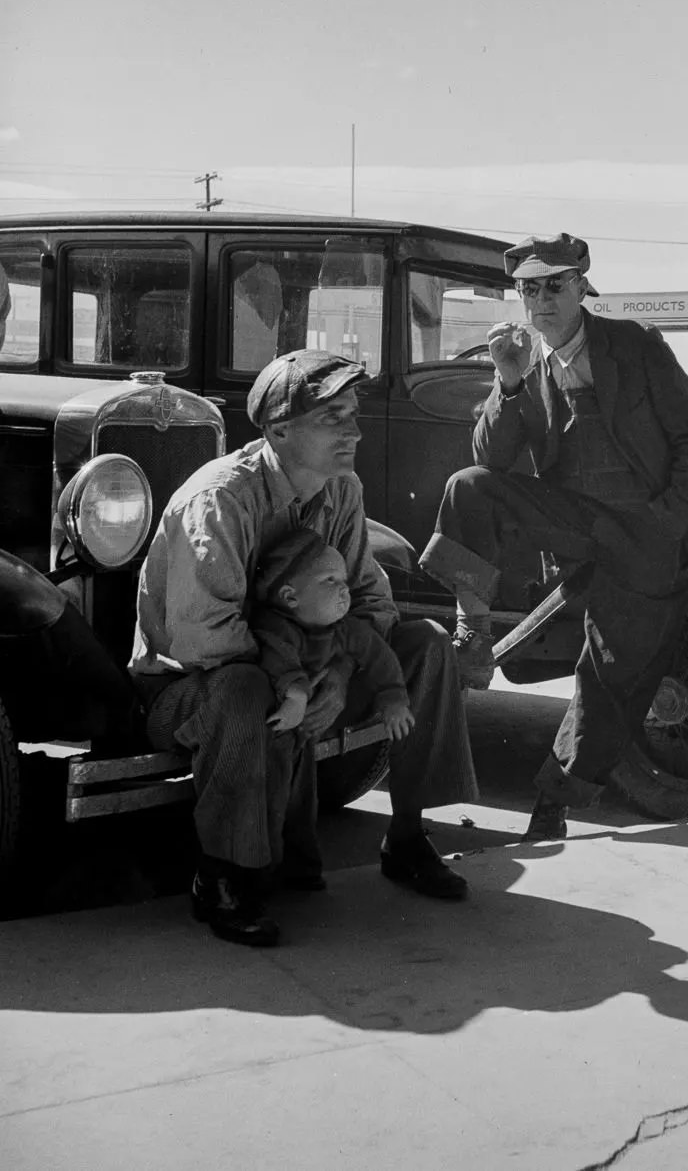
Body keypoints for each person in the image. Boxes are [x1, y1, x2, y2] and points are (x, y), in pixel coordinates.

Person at [129, 349, 477, 947]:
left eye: (353, 414)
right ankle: (223, 876)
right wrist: (295, 684)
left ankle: (410, 836)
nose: (354, 430)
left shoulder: (342, 491)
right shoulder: (220, 500)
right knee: (245, 686)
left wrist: (336, 673)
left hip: (308, 671)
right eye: (333, 417)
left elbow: (373, 604)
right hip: (191, 690)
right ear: (279, 430)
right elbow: (206, 640)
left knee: (426, 644)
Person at [419, 232, 688, 842]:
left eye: (555, 284)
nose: (543, 299)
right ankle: (473, 631)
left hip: (646, 535)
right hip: (575, 525)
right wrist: (506, 384)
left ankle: (552, 809)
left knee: (608, 680)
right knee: (469, 485)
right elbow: (493, 458)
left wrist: (682, 531)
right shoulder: (524, 361)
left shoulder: (635, 346)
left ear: (583, 286)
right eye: (530, 288)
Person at [247, 528, 415, 886]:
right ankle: (273, 863)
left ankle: (301, 866)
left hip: (309, 720)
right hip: (286, 719)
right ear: (290, 596)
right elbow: (279, 662)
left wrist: (393, 697)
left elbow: (379, 657)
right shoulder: (277, 627)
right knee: (280, 793)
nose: (344, 590)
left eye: (343, 581)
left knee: (302, 799)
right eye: (329, 581)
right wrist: (295, 697)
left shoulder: (344, 628)